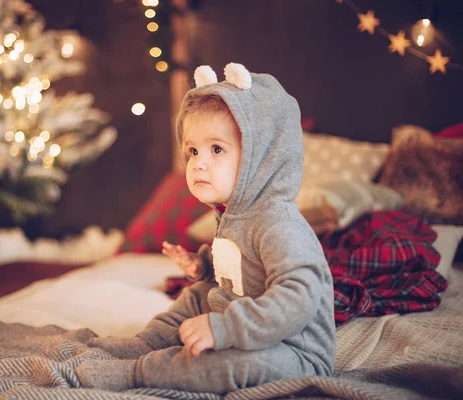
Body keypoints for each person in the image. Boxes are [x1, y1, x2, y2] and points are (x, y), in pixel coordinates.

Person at [75, 63, 335, 394]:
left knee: (227, 364)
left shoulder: (277, 222)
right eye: (193, 150)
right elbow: (242, 271)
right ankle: (147, 343)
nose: (198, 162)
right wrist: (202, 266)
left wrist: (224, 329)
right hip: (247, 323)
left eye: (216, 149)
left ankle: (138, 372)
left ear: (259, 158)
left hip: (292, 351)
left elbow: (299, 297)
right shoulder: (233, 213)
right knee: (198, 296)